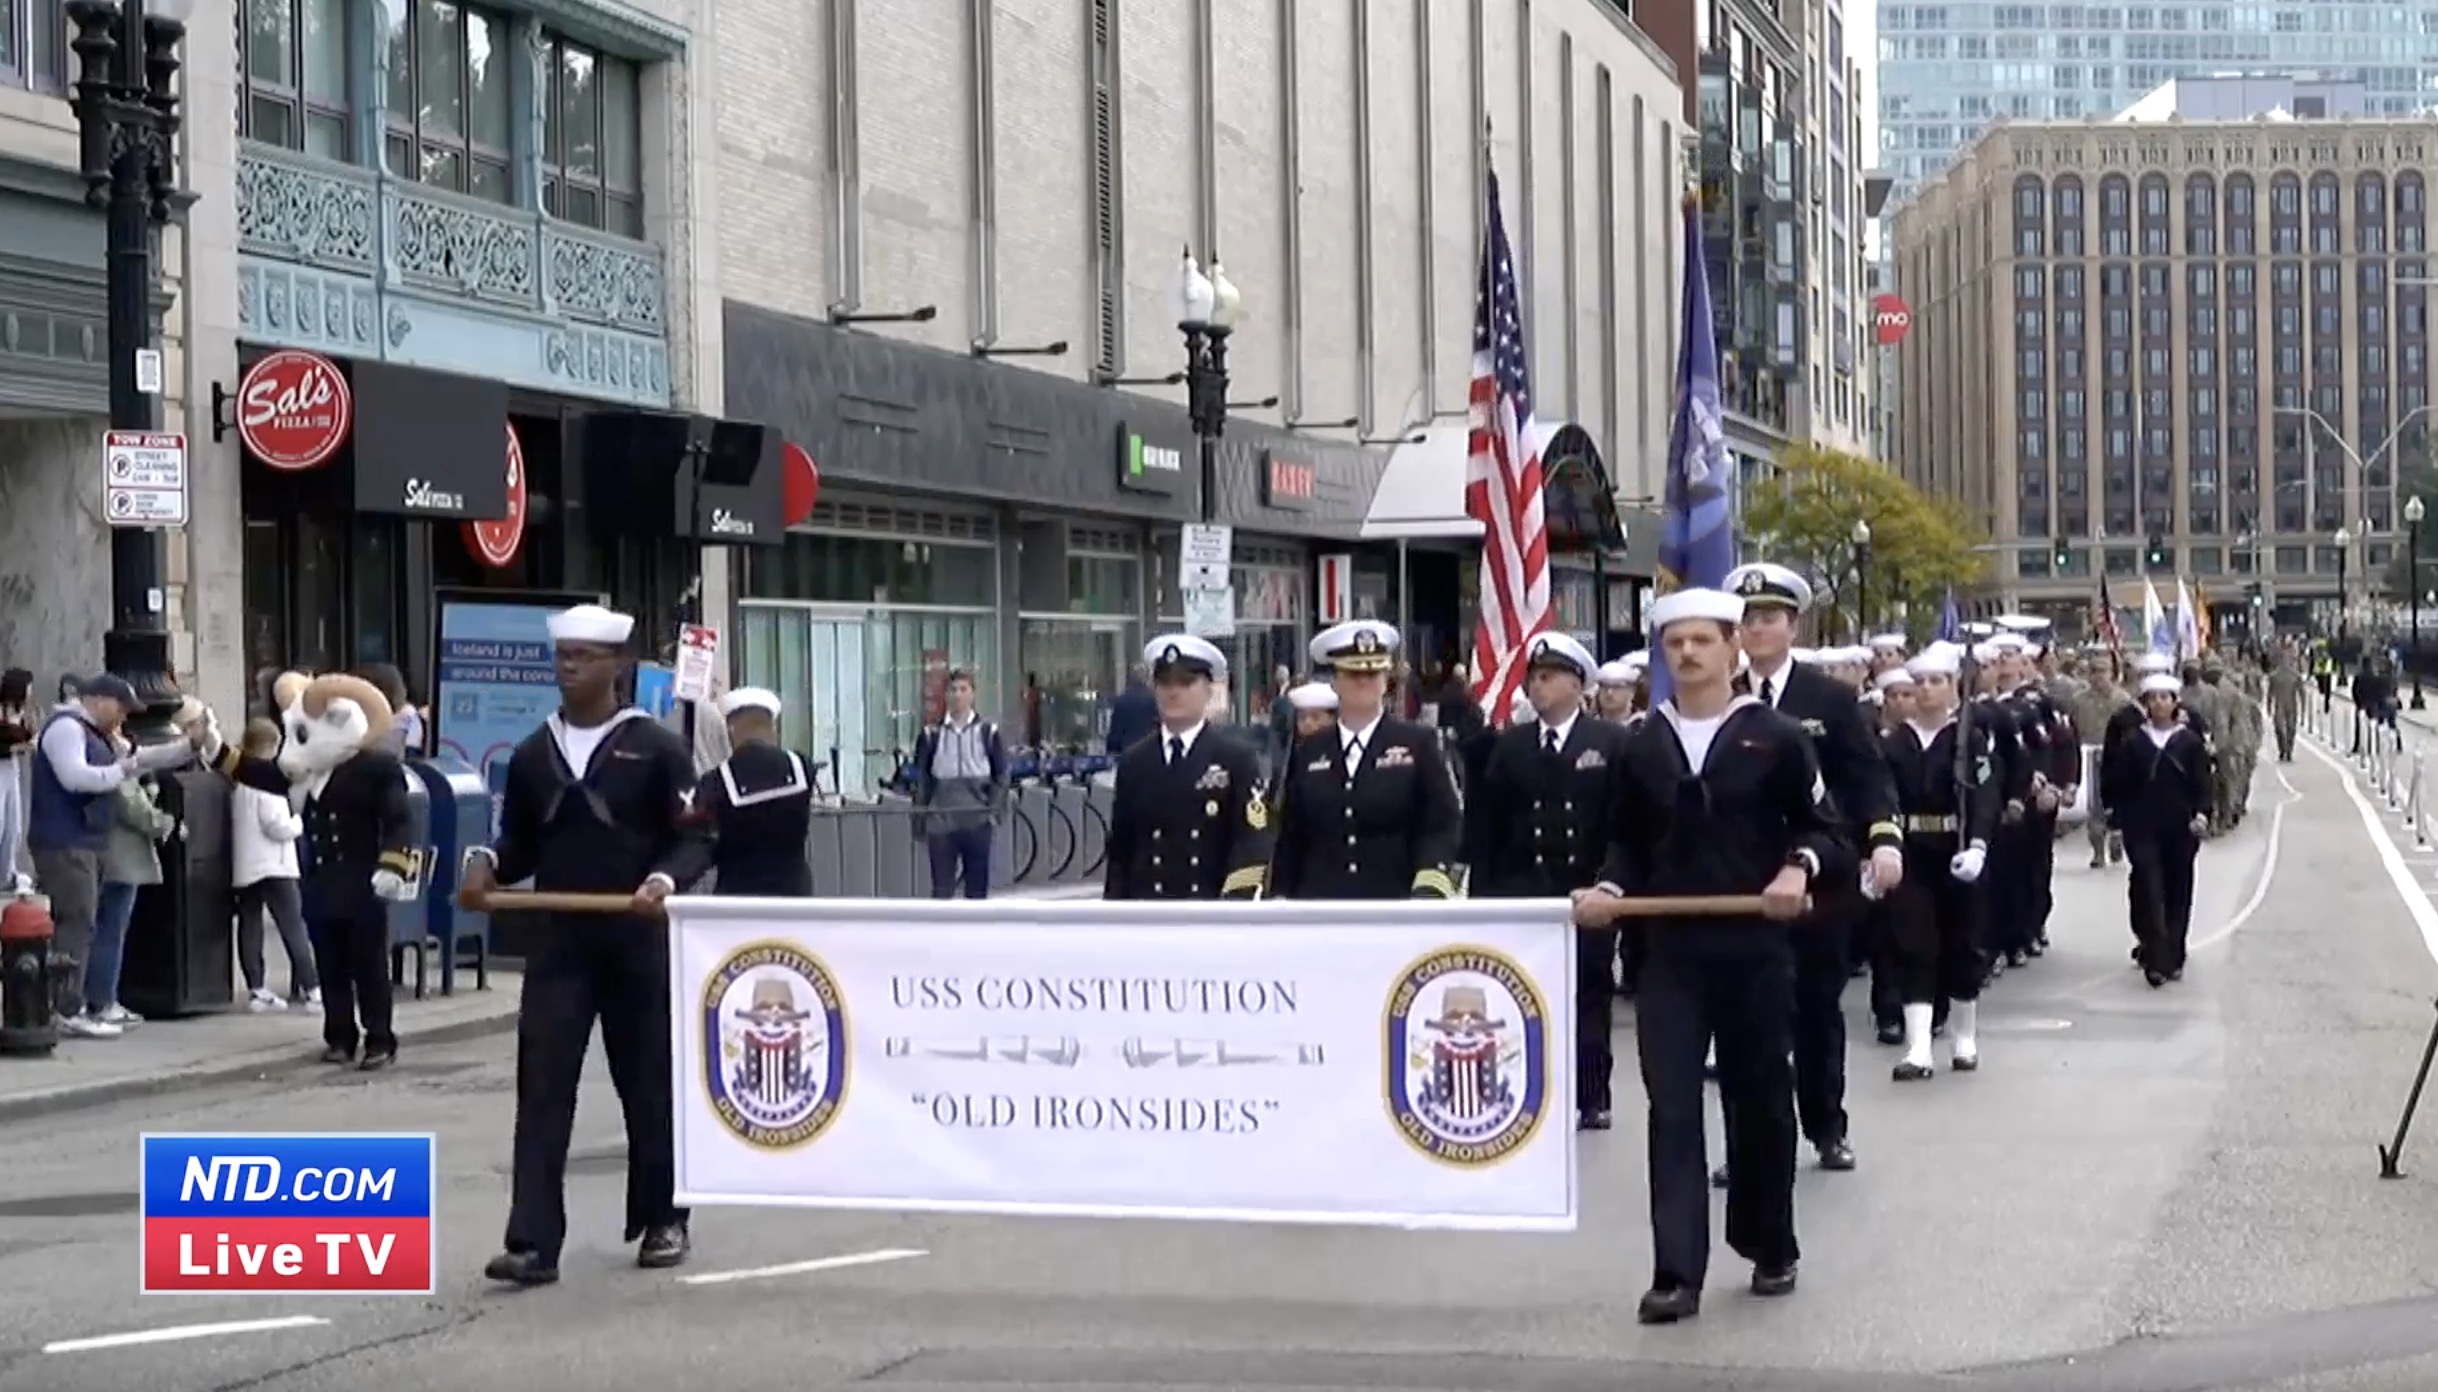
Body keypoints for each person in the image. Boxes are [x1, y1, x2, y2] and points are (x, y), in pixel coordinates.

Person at [1573, 587, 1841, 1325]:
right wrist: (1609, 887)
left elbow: (1826, 831)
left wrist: (1799, 868)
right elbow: (1623, 840)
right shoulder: (1639, 744)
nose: (1687, 654)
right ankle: (1676, 1273)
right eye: (1674, 643)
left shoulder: (1776, 736)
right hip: (1669, 956)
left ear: (1732, 649)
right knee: (1673, 1112)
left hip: (1754, 949)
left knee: (1758, 1102)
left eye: (1701, 641)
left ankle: (1769, 1241)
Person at [454, 604, 713, 1283]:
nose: (569, 666)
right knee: (541, 1090)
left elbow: (694, 834)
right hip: (561, 940)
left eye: (584, 657)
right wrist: (485, 865)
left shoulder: (655, 745)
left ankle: (664, 1217)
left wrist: (663, 880)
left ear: (618, 666)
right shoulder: (534, 752)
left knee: (648, 1083)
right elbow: (519, 843)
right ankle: (533, 1242)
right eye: (563, 654)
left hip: (636, 936)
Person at [1722, 562, 1898, 1176]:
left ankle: (1826, 1126)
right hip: (1740, 880)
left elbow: (1865, 777)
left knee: (1818, 1011)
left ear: (1793, 625)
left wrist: (1882, 840)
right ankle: (1746, 1143)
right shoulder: (1718, 693)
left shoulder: (1830, 699)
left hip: (1820, 880)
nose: (1755, 630)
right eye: (1745, 619)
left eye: (1767, 618)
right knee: (1744, 1021)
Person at [1465, 632, 1631, 1128]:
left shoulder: (1610, 743)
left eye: (1549, 677)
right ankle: (1531, 1088)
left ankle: (1591, 1093)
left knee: (1588, 994)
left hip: (1585, 889)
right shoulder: (1510, 746)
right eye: (1533, 678)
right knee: (1523, 995)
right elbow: (1488, 825)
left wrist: (1613, 883)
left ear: (1579, 684)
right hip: (1522, 891)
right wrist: (1483, 896)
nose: (1538, 687)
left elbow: (1624, 821)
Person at [28, 674, 193, 1032]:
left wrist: (185, 748)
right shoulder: (67, 729)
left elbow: (138, 758)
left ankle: (72, 1005)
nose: (124, 718)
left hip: (85, 840)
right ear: (99, 700)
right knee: (77, 922)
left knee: (84, 922)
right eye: (121, 708)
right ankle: (66, 1009)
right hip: (64, 840)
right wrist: (119, 771)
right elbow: (76, 778)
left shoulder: (96, 733)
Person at [1269, 620, 1461, 901]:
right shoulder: (1309, 752)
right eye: (1352, 673)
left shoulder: (1418, 743)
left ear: (1386, 680)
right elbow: (1291, 834)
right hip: (1321, 907)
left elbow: (1442, 821)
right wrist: (1281, 896)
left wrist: (1429, 885)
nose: (1363, 681)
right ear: (1334, 681)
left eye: (1373, 673)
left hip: (1396, 903)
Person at [1878, 644, 2001, 1080]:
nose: (1927, 691)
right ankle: (1919, 1047)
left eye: (1936, 682)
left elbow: (1985, 795)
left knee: (1963, 944)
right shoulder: (1895, 743)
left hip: (1957, 849)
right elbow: (1880, 799)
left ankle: (1963, 1036)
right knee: (1913, 945)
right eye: (1920, 683)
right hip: (1912, 851)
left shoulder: (1969, 738)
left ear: (1953, 688)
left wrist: (1980, 846)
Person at [1104, 635, 1273, 901]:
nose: (1174, 692)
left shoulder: (1235, 759)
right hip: (1147, 915)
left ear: (1208, 690)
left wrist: (1234, 906)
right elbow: (1120, 853)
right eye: (1165, 683)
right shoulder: (1135, 762)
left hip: (1208, 914)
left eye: (1186, 682)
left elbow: (1252, 843)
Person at [2103, 672, 2214, 989]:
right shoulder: (2134, 742)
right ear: (2146, 704)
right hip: (2143, 827)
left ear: (2175, 702)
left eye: (2165, 697)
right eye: (2153, 698)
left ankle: (2174, 953)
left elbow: (2203, 784)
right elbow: (2118, 783)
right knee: (2149, 888)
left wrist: (2202, 814)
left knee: (2177, 890)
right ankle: (2155, 955)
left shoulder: (2189, 742)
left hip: (2180, 828)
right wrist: (2115, 816)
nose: (2159, 704)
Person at [84, 733, 179, 1032]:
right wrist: (164, 822)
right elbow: (133, 807)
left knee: (106, 928)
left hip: (108, 855)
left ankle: (100, 998)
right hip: (121, 858)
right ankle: (103, 1000)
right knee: (111, 930)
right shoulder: (116, 768)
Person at [229, 716, 320, 1011]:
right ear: (272, 746)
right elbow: (277, 826)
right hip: (276, 865)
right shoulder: (266, 779)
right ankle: (312, 987)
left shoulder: (238, 777)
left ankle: (257, 989)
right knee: (293, 925)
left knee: (250, 924)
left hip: (247, 865)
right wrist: (298, 823)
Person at [693, 687, 816, 896]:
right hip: (795, 895)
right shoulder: (803, 767)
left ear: (731, 728)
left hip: (737, 898)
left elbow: (703, 840)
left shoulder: (716, 780)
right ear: (772, 726)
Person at [910, 670, 1009, 899]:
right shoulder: (931, 734)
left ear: (973, 694)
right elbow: (922, 778)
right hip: (941, 819)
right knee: (942, 888)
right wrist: (920, 817)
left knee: (977, 888)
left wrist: (993, 810)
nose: (957, 695)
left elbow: (1001, 774)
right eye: (953, 690)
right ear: (945, 695)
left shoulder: (987, 731)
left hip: (977, 818)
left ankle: (975, 934)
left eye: (963, 689)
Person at [0, 667, 32, 890]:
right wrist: (19, 745)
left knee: (14, 822)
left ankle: (7, 870)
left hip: (12, 765)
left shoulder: (22, 712)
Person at [2266, 649, 2305, 762]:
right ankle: (2282, 749)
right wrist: (2269, 706)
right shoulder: (2274, 676)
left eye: (2287, 658)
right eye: (2283, 658)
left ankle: (2289, 750)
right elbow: (2270, 692)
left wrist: (2303, 708)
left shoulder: (2295, 675)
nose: (2285, 661)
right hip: (2279, 704)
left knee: (2291, 728)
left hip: (2291, 704)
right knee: (2279, 728)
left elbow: (2302, 692)